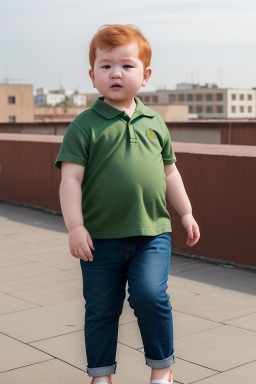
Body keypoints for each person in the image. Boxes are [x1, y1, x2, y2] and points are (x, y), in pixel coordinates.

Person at [55, 24, 200, 384]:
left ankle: (162, 369)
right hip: (100, 239)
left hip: (153, 233)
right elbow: (70, 179)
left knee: (151, 297)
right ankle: (100, 375)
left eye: (127, 65)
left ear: (145, 75)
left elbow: (170, 174)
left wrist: (186, 212)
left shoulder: (156, 123)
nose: (116, 73)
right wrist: (75, 226)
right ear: (93, 76)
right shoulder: (84, 126)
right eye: (105, 66)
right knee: (101, 309)